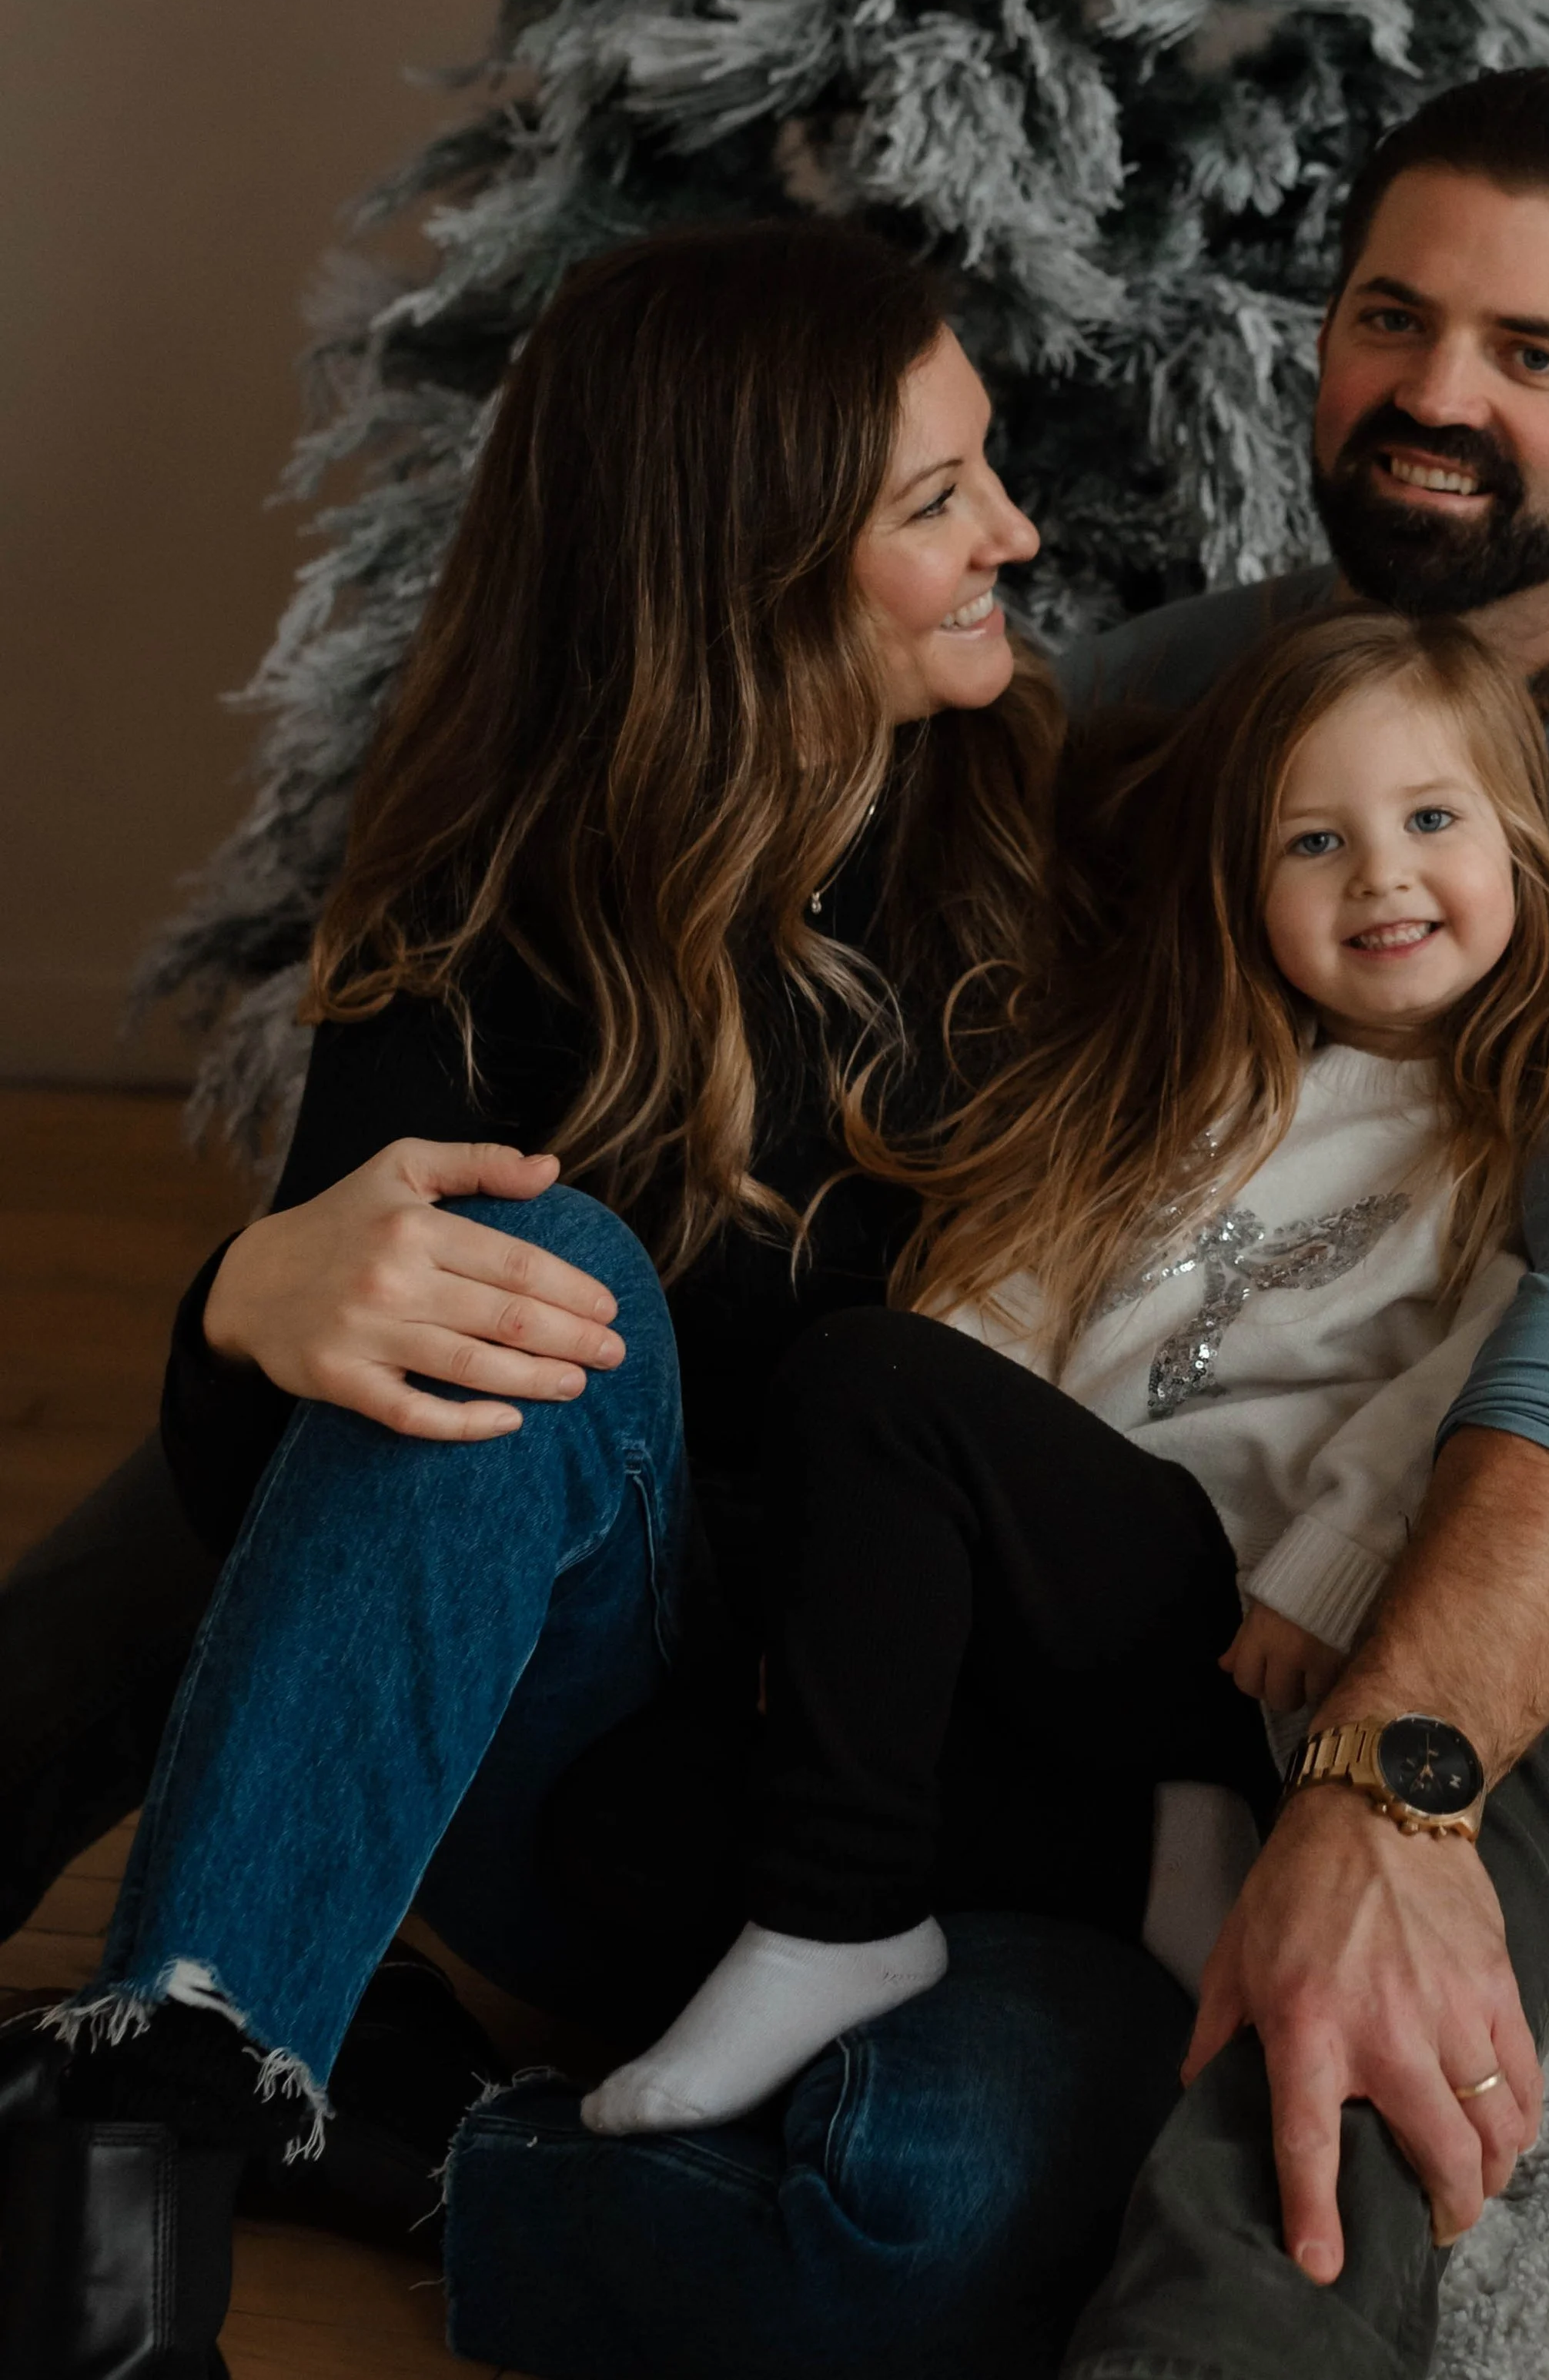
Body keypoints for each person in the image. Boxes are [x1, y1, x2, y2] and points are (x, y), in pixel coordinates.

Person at [0, 218, 1199, 2380]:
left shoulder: (1067, 839)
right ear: (744, 569)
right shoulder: (495, 907)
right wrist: (245, 1310)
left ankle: (419, 2141)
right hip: (597, 1804)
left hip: (929, 1835)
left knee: (914, 2229)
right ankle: (129, 2207)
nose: (1016, 532)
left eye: (983, 468)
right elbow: (320, 1482)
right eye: (937, 502)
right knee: (507, 1272)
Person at [1039, 68, 1549, 2380]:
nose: (1431, 394)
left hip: (1501, 1466)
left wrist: (1392, 1788)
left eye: (1528, 354)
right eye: (1392, 320)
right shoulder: (1183, 688)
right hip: (1160, 1407)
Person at [580, 607, 1549, 2138]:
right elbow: (1000, 1305)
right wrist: (852, 1575)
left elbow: (1483, 1375)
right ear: (1241, 887)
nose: (1380, 875)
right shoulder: (1199, 1080)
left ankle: (840, 1917)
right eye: (1311, 844)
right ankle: (1142, 1861)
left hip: (1244, 1609)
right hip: (1053, 1619)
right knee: (617, 1833)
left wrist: (1330, 1568)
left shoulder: (1520, 1127)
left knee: (860, 1378)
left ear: (1522, 851)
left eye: (1426, 820)